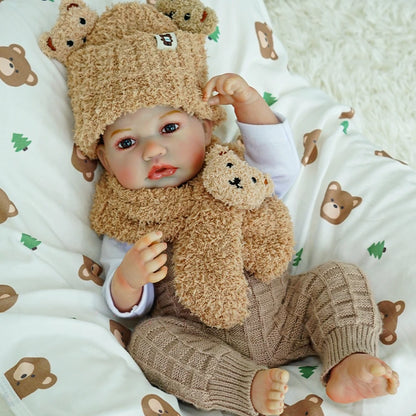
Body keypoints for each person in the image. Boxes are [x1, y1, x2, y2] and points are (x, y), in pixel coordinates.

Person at [50, 3, 399, 415]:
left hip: (285, 310)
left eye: (169, 128)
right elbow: (125, 303)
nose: (152, 149)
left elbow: (280, 168)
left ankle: (348, 360)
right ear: (105, 161)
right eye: (126, 143)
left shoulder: (231, 170)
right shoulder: (127, 214)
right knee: (150, 341)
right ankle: (247, 386)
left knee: (338, 278)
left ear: (206, 125)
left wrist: (248, 103)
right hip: (201, 336)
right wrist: (129, 279)